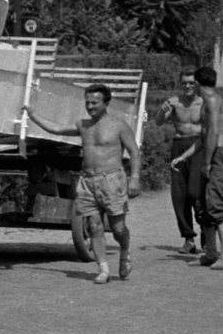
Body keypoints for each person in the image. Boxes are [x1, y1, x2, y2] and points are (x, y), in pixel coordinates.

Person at [27, 84, 139, 284]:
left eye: (94, 103)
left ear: (106, 103)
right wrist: (33, 115)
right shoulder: (83, 126)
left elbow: (134, 152)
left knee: (118, 229)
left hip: (112, 180)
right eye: (87, 103)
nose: (90, 107)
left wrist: (135, 177)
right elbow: (56, 128)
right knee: (94, 226)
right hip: (87, 181)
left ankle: (125, 251)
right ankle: (103, 269)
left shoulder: (119, 125)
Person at [157, 71, 205, 254]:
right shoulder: (174, 102)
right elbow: (159, 122)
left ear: (197, 84)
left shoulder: (204, 102)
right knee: (179, 194)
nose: (188, 86)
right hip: (179, 145)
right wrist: (162, 110)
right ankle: (188, 238)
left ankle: (206, 229)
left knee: (196, 192)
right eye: (184, 83)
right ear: (180, 83)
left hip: (199, 146)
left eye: (191, 83)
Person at [193, 67, 223, 267]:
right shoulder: (210, 100)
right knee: (202, 204)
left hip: (218, 154)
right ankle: (210, 253)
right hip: (212, 153)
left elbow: (213, 133)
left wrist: (207, 161)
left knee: (215, 204)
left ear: (197, 83)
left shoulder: (211, 100)